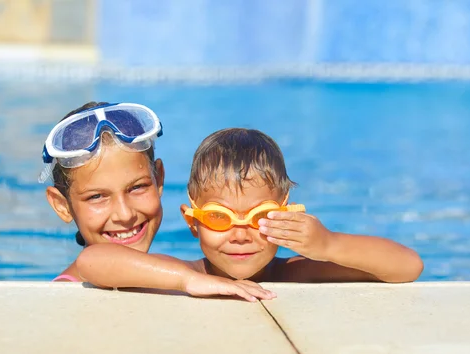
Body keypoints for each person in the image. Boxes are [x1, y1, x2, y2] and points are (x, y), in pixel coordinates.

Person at [76, 128, 423, 294]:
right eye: (218, 217)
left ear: (286, 214)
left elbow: (408, 266)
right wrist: (190, 281)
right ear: (192, 222)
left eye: (260, 217)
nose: (240, 234)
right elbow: (93, 262)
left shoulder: (298, 272)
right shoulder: (183, 273)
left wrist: (329, 244)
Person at [40, 102, 276, 302]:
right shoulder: (67, 291)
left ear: (159, 178)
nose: (124, 214)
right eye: (97, 197)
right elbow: (91, 260)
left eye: (138, 187)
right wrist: (187, 279)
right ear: (62, 205)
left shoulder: (165, 272)